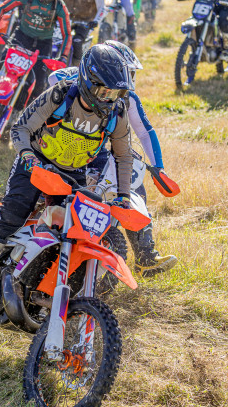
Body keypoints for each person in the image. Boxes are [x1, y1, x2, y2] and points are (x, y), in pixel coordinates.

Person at [0, 44, 134, 307]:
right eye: (103, 91)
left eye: (115, 93)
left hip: (73, 173)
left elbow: (124, 156)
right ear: (87, 80)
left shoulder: (118, 112)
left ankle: (41, 287)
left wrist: (124, 196)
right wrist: (29, 157)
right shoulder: (61, 95)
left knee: (75, 229)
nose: (108, 98)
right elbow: (21, 128)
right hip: (36, 162)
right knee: (15, 211)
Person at [48, 40, 178, 277]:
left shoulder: (128, 99)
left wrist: (158, 167)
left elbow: (145, 132)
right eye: (126, 71)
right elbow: (53, 78)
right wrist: (78, 80)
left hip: (96, 151)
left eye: (129, 74)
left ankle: (146, 257)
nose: (127, 79)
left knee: (133, 182)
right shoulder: (79, 79)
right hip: (59, 146)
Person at [0, 0, 71, 101]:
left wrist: (63, 57)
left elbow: (67, 34)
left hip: (43, 45)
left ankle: (28, 110)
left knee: (40, 84)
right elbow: (2, 7)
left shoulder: (60, 7)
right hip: (21, 37)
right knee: (1, 66)